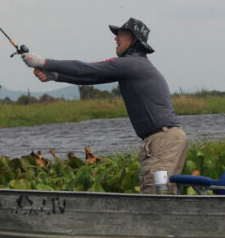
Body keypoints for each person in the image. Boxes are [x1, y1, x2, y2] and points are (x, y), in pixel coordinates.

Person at [20, 17, 187, 194]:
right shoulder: (133, 65)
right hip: (163, 140)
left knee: (157, 193)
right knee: (162, 192)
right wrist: (56, 76)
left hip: (162, 142)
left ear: (134, 40)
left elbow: (86, 69)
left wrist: (43, 62)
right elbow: (91, 77)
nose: (116, 38)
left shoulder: (132, 63)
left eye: (121, 34)